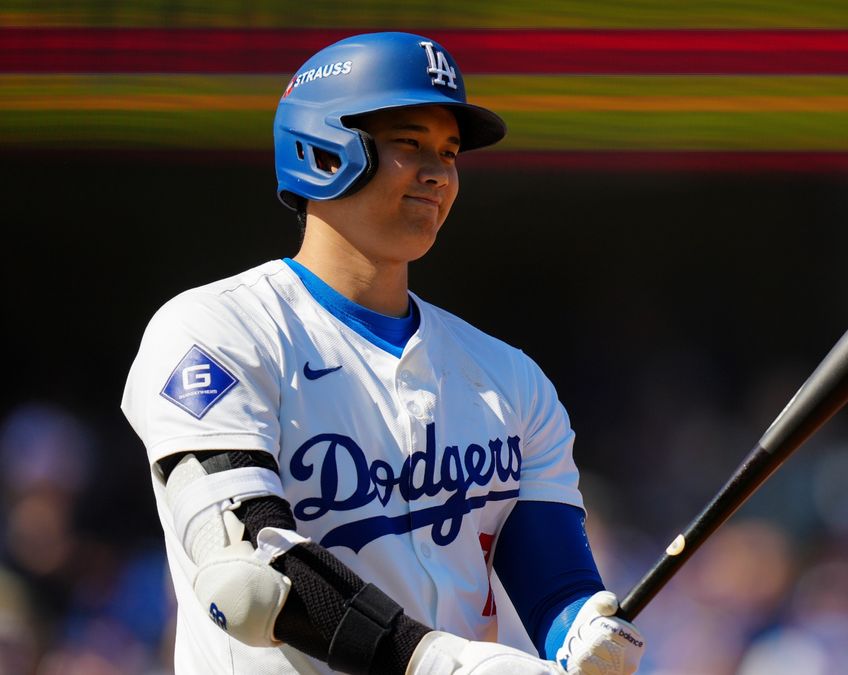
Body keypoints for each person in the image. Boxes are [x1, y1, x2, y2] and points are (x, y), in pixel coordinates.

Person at [121, 32, 645, 675]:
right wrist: (442, 664)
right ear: (322, 148)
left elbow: (554, 585)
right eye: (410, 143)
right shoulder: (217, 331)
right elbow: (247, 581)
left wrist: (583, 631)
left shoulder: (510, 379)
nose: (439, 172)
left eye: (450, 152)